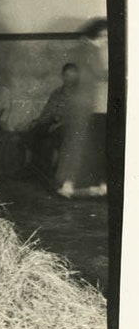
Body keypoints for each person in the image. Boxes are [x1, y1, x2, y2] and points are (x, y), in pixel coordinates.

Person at [55, 18, 109, 198]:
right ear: (96, 34)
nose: (105, 39)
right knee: (77, 144)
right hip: (83, 103)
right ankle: (69, 184)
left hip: (76, 102)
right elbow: (101, 73)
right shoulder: (91, 50)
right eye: (104, 36)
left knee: (74, 143)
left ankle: (67, 182)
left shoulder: (80, 48)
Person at [22, 63, 79, 179]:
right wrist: (37, 122)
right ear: (63, 76)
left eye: (72, 77)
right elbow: (48, 111)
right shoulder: (57, 93)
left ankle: (52, 172)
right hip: (52, 122)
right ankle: (27, 168)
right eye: (67, 76)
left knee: (55, 137)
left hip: (67, 125)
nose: (69, 79)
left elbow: (74, 117)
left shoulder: (78, 95)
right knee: (33, 132)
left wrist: (57, 125)